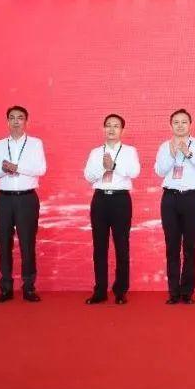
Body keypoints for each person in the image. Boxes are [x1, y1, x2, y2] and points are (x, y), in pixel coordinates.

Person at [0, 105, 47, 303]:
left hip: (26, 198)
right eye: (12, 118)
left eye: (20, 118)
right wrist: (4, 170)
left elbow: (41, 169)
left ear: (26, 121)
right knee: (4, 243)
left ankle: (29, 287)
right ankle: (6, 288)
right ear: (7, 121)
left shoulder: (35, 143)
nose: (16, 121)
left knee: (27, 243)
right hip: (4, 199)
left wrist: (17, 167)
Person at [83, 113, 141, 305]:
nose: (111, 129)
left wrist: (114, 166)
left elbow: (134, 172)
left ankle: (120, 291)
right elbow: (88, 176)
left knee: (122, 246)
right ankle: (100, 291)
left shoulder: (130, 151)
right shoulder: (95, 152)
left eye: (116, 126)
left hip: (120, 200)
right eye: (108, 125)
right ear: (104, 128)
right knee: (99, 247)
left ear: (122, 130)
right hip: (100, 199)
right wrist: (104, 167)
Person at [154, 108, 195, 304]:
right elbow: (160, 171)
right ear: (171, 125)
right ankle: (173, 292)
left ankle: (187, 292)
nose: (180, 125)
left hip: (192, 199)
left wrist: (188, 153)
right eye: (176, 122)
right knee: (172, 246)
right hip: (170, 199)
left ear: (190, 125)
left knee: (190, 247)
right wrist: (172, 154)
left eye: (184, 122)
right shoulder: (164, 146)